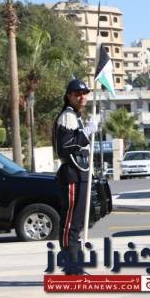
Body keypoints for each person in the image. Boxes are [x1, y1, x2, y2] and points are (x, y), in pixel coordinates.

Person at [52, 79, 99, 274]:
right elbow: (64, 147)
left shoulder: (75, 116)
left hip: (80, 173)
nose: (82, 97)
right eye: (77, 94)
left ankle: (76, 266)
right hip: (72, 173)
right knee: (70, 223)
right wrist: (86, 133)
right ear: (69, 96)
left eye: (84, 93)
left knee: (78, 223)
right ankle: (71, 267)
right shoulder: (67, 116)